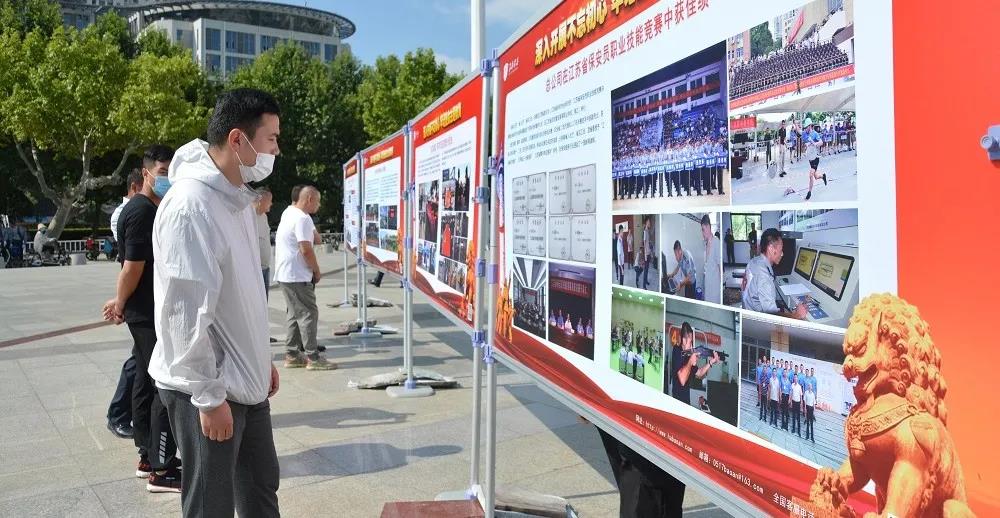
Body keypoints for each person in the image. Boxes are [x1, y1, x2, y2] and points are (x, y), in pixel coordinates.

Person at [150, 89, 281, 517]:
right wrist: (207, 397)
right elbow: (184, 313)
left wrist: (261, 360)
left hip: (246, 381)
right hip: (207, 389)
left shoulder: (235, 199)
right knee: (212, 504)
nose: (276, 151)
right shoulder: (192, 205)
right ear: (238, 139)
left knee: (261, 488)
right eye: (271, 139)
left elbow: (242, 295)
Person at [102, 145, 181, 492]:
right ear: (146, 173)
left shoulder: (149, 208)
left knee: (146, 382)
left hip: (147, 308)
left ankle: (149, 456)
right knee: (162, 383)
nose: (168, 178)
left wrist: (121, 301)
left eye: (172, 171)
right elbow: (132, 266)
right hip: (147, 312)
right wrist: (120, 302)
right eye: (163, 172)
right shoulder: (142, 212)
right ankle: (161, 469)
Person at [276, 185, 336, 371]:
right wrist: (316, 270)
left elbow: (315, 240)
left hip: (287, 274)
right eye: (317, 201)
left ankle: (292, 354)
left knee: (295, 314)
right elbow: (306, 249)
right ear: (309, 199)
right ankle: (313, 357)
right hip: (297, 275)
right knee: (309, 314)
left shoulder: (289, 213)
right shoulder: (302, 218)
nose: (319, 205)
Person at [106, 168, 146, 439]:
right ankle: (119, 414)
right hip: (138, 298)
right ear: (135, 186)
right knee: (138, 359)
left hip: (142, 295)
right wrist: (120, 302)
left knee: (141, 359)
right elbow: (130, 263)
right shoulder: (128, 212)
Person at [741, 228, 809, 319]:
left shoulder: (755, 261)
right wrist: (797, 315)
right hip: (754, 319)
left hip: (747, 308)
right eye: (781, 249)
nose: (782, 254)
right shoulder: (764, 277)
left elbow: (764, 292)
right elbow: (772, 316)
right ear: (770, 248)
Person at [670, 323, 719, 405]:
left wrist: (711, 362)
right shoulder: (677, 351)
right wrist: (690, 361)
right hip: (677, 402)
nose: (692, 346)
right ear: (684, 340)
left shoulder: (688, 355)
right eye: (690, 342)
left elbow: (699, 373)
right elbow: (682, 380)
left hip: (686, 402)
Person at [802, 123, 828, 200]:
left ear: (810, 126)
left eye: (807, 127)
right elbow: (805, 145)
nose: (806, 128)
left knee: (811, 175)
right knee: (816, 177)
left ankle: (809, 192)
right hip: (810, 158)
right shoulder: (806, 134)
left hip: (816, 158)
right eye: (805, 127)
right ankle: (823, 176)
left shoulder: (815, 133)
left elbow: (821, 142)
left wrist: (815, 143)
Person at [700, 215, 721, 303]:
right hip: (708, 284)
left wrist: (720, 288)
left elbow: (720, 267)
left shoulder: (716, 242)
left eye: (703, 230)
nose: (702, 233)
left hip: (715, 287)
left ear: (708, 227)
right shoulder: (706, 244)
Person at [641, 217, 654, 290]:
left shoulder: (647, 231)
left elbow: (648, 243)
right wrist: (645, 255)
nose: (649, 223)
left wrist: (650, 252)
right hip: (646, 254)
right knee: (645, 270)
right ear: (646, 222)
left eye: (650, 222)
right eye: (648, 222)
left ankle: (646, 281)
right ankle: (643, 286)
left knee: (647, 269)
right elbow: (644, 243)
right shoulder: (645, 232)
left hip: (648, 253)